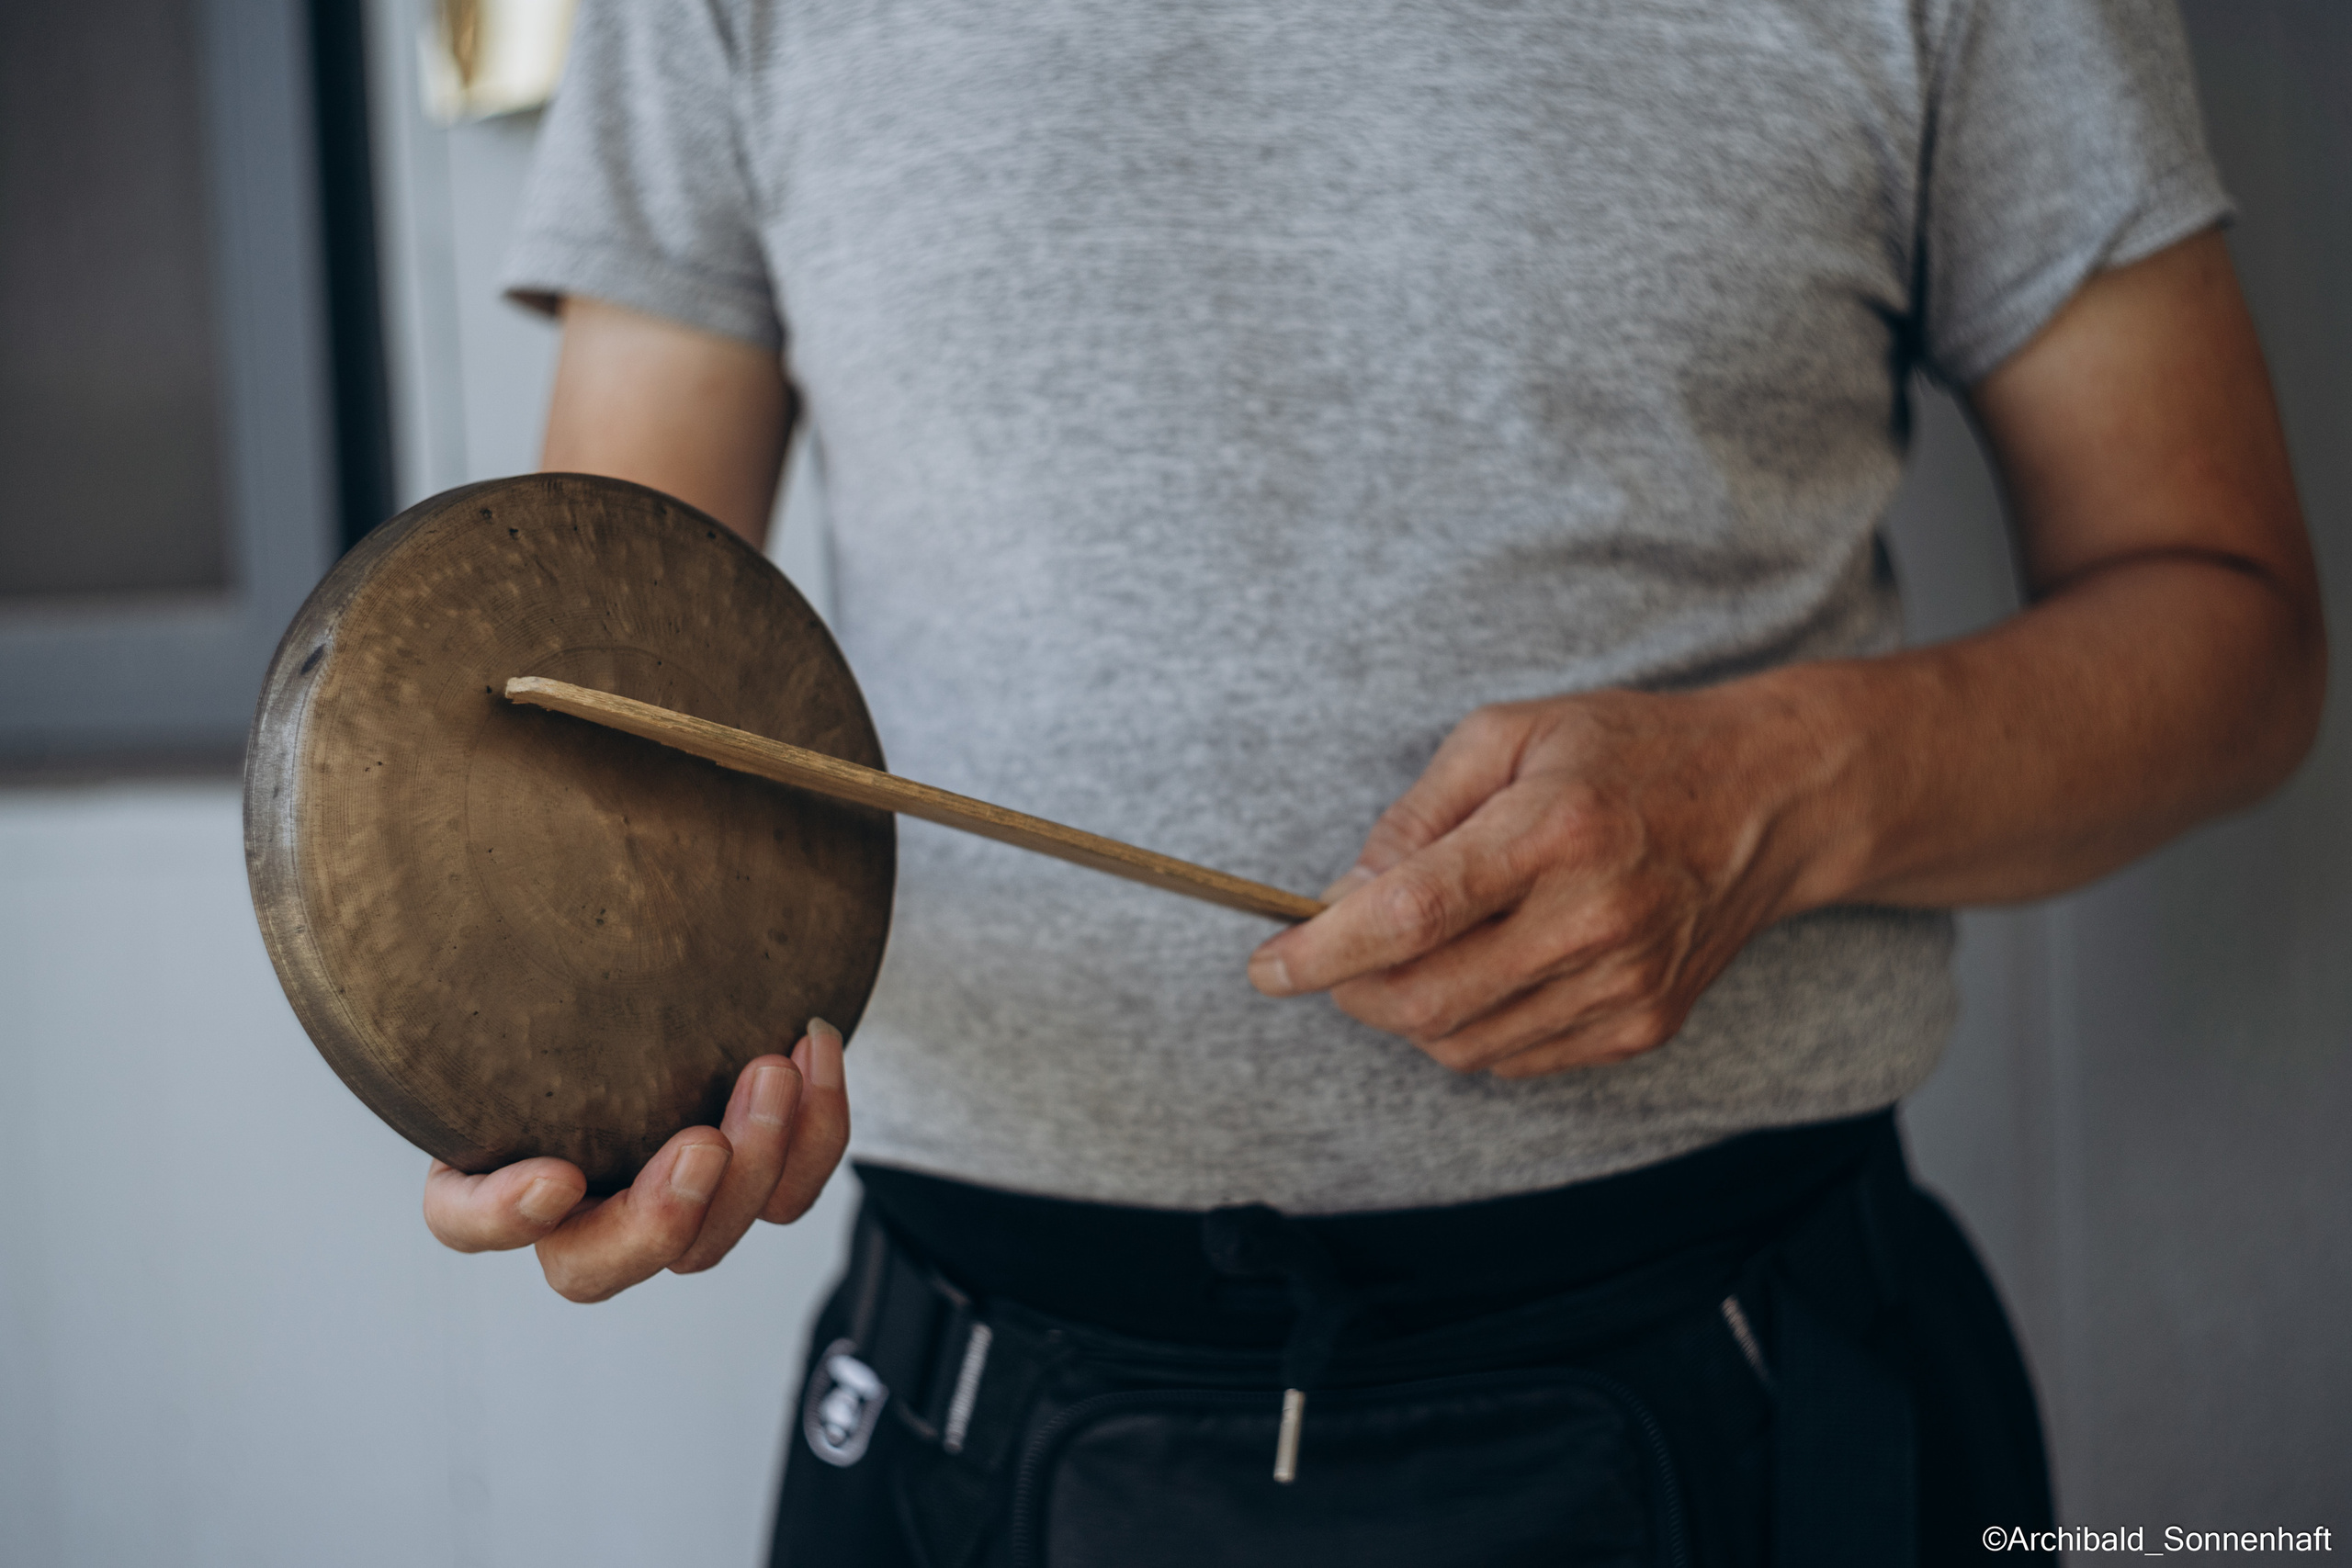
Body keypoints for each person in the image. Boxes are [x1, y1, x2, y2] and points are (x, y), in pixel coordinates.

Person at [424, 1, 2325, 1562]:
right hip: (968, 1408)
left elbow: (2235, 642)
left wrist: (1765, 792)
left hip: (1748, 1384)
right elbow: (603, 712)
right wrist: (587, 1067)